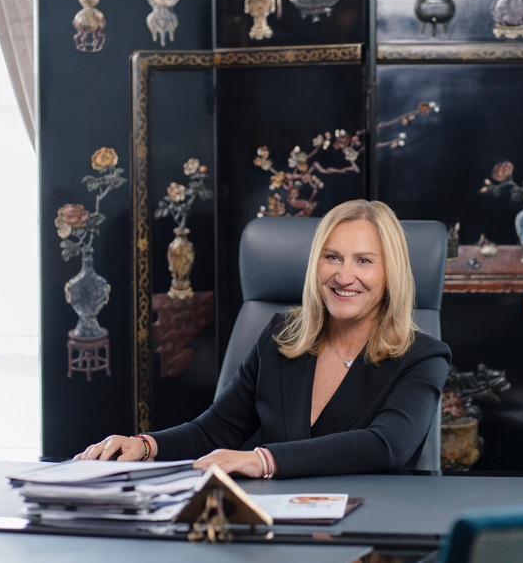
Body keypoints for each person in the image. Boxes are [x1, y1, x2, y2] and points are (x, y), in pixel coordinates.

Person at [75, 199, 452, 478]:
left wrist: (264, 460)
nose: (343, 276)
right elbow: (216, 429)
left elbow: (386, 445)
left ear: (391, 273)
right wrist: (144, 445)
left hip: (372, 529)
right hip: (280, 525)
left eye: (364, 261)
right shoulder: (282, 335)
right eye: (332, 257)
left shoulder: (423, 357)